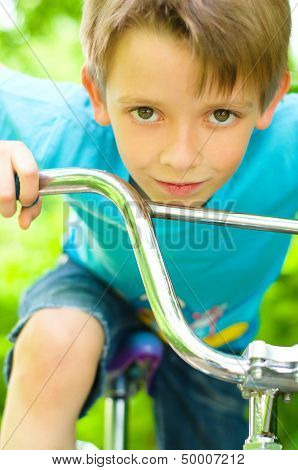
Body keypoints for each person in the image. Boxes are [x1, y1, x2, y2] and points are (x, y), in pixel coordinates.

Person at [0, 0, 296, 450]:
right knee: (52, 344)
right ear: (97, 95)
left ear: (271, 97)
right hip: (96, 284)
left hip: (220, 334)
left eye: (220, 115)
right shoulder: (63, 128)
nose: (180, 157)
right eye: (145, 112)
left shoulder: (287, 148)